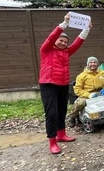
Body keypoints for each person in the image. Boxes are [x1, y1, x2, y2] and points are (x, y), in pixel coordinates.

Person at [39, 13, 91, 154]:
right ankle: (52, 141)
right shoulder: (46, 50)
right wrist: (64, 24)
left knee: (61, 111)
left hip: (62, 84)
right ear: (56, 41)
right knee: (52, 114)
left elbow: (78, 43)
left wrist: (86, 29)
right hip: (48, 84)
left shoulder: (67, 52)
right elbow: (51, 38)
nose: (63, 43)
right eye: (60, 40)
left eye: (65, 42)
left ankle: (61, 134)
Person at [66, 56, 104, 127]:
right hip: (88, 94)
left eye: (94, 62)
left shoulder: (103, 73)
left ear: (97, 64)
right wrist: (88, 95)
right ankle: (72, 117)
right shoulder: (81, 76)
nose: (93, 64)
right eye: (91, 62)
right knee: (80, 103)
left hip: (100, 92)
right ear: (88, 64)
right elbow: (77, 90)